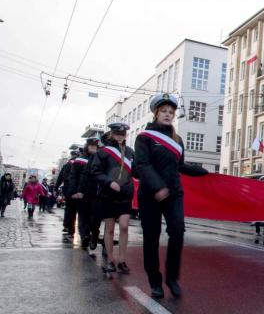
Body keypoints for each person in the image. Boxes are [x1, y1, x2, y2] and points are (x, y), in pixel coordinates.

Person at [135, 93, 209, 298]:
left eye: (171, 112)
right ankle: (155, 281)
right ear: (156, 113)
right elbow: (142, 165)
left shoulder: (177, 140)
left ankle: (172, 278)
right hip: (150, 194)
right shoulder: (144, 137)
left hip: (174, 192)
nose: (168, 115)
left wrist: (202, 171)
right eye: (164, 111)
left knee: (177, 232)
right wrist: (158, 187)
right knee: (152, 237)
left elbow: (181, 165)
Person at [91, 123, 135, 276]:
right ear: (111, 134)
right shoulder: (103, 152)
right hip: (108, 195)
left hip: (125, 194)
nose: (120, 136)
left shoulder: (130, 152)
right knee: (109, 229)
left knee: (124, 227)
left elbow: (135, 171)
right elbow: (95, 171)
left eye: (122, 134)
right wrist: (109, 182)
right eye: (117, 133)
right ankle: (110, 260)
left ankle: (122, 260)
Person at [69, 137, 100, 248]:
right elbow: (73, 177)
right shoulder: (79, 161)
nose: (93, 148)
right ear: (87, 147)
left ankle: (94, 236)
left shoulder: (100, 160)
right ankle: (85, 237)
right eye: (91, 146)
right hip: (82, 193)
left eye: (95, 146)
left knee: (95, 218)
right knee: (83, 216)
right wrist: (74, 191)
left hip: (96, 194)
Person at [55, 150, 79, 236]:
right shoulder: (79, 163)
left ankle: (67, 226)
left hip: (68, 190)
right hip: (77, 190)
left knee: (69, 209)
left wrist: (56, 187)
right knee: (76, 209)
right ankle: (72, 228)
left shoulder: (66, 165)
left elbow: (60, 177)